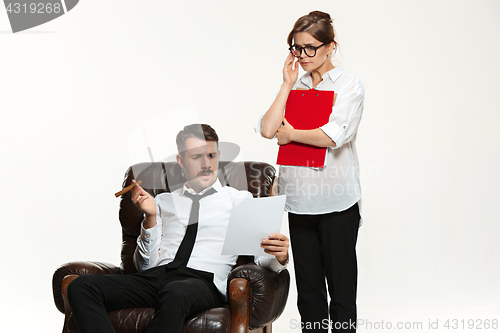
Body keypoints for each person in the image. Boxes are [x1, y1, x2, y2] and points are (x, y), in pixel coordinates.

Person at [68, 124, 289, 333]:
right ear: (181, 161)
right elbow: (145, 266)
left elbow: (261, 258)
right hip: (158, 277)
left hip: (203, 282)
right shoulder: (163, 201)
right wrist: (150, 217)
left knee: (176, 291)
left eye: (211, 155)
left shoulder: (240, 200)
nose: (206, 164)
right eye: (196, 157)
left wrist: (279, 256)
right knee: (81, 287)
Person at [257, 11, 364, 333]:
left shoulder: (349, 86)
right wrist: (286, 84)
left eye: (309, 48)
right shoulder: (295, 84)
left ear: (330, 46)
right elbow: (266, 129)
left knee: (341, 287)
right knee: (309, 288)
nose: (302, 56)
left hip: (337, 200)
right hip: (300, 200)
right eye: (295, 48)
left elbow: (334, 136)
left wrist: (292, 134)